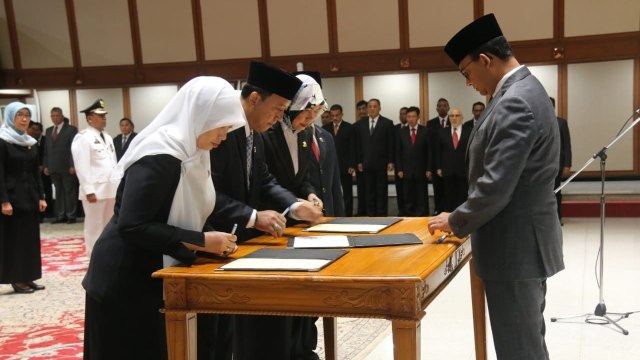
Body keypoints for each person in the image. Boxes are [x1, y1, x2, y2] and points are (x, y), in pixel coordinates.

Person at [429, 14, 564, 360]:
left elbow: (496, 185)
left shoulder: (516, 100)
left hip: (514, 247)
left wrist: (455, 219)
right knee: (525, 340)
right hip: (519, 244)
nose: (469, 82)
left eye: (467, 72)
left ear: (485, 60)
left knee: (519, 346)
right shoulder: (524, 90)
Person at [82, 76, 244, 360]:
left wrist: (213, 239)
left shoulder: (192, 151)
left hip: (150, 269)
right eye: (222, 126)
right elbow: (132, 225)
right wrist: (202, 241)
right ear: (201, 115)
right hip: (125, 279)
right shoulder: (159, 154)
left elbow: (188, 208)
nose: (224, 135)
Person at [208, 61, 323, 360]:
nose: (280, 117)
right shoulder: (223, 132)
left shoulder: (254, 133)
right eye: (278, 108)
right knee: (223, 335)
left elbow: (265, 180)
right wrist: (253, 216)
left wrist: (295, 205)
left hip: (244, 243)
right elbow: (208, 195)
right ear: (255, 99)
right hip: (215, 242)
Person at [0, 103, 47, 294]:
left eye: (27, 115)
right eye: (19, 115)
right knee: (15, 241)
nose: (24, 119)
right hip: (12, 199)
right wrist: (3, 200)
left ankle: (29, 276)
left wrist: (41, 197)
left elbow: (36, 174)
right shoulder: (3, 141)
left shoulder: (30, 142)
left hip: (30, 197)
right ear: (10, 117)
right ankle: (16, 279)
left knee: (30, 240)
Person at [71, 100, 118, 257]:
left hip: (110, 188)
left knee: (108, 225)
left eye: (104, 115)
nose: (104, 118)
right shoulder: (83, 138)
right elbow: (81, 167)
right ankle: (93, 256)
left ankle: (106, 253)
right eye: (100, 116)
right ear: (90, 119)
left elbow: (113, 163)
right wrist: (88, 190)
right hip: (95, 190)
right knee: (94, 225)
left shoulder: (108, 137)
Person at [354, 99, 395, 216]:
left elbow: (391, 143)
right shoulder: (361, 124)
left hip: (382, 163)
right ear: (367, 109)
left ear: (379, 108)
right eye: (370, 106)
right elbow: (359, 144)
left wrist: (391, 161)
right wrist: (359, 161)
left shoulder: (387, 123)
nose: (372, 109)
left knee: (381, 191)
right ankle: (371, 214)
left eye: (375, 106)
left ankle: (382, 214)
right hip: (366, 163)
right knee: (369, 191)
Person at [43, 107, 78, 223]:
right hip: (53, 166)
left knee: (69, 192)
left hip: (67, 166)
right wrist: (46, 165)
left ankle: (71, 215)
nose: (54, 118)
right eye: (52, 116)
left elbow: (74, 149)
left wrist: (73, 165)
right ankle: (60, 215)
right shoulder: (48, 131)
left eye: (57, 115)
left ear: (62, 116)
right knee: (58, 192)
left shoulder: (71, 129)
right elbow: (46, 150)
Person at [395, 106, 429, 216]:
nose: (410, 119)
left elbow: (429, 152)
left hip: (421, 169)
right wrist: (399, 168)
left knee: (421, 195)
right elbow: (398, 152)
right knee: (408, 195)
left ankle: (422, 215)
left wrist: (429, 168)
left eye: (413, 116)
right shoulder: (401, 132)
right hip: (406, 170)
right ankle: (409, 215)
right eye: (408, 116)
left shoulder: (425, 131)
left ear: (418, 117)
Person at [435, 108, 470, 212]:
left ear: (462, 117)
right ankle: (448, 218)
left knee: (462, 196)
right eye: (452, 116)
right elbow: (438, 151)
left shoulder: (469, 131)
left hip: (463, 170)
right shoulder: (442, 132)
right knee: (448, 196)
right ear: (448, 118)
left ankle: (461, 218)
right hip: (447, 170)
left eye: (457, 115)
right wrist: (438, 167)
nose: (454, 118)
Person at [322, 104, 355, 216]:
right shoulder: (325, 129)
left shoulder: (349, 127)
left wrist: (352, 164)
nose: (335, 118)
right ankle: (335, 213)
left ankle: (348, 214)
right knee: (332, 190)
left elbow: (353, 147)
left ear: (342, 114)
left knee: (347, 192)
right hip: (330, 166)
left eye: (337, 115)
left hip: (345, 165)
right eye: (333, 115)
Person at [550, 97, 572, 225]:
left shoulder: (561, 123)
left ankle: (557, 218)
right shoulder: (537, 122)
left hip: (557, 164)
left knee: (556, 191)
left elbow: (567, 145)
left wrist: (567, 164)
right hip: (542, 166)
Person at [426, 98, 450, 215]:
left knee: (449, 188)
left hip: (449, 162)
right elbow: (429, 147)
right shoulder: (431, 124)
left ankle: (448, 210)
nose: (442, 107)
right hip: (436, 162)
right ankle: (438, 209)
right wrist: (429, 167)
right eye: (439, 106)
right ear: (436, 108)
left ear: (448, 108)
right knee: (438, 188)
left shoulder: (453, 121)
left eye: (444, 105)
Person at [27, 121, 54, 220]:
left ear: (41, 131)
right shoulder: (26, 141)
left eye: (37, 130)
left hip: (44, 171)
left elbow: (47, 154)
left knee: (47, 191)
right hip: (32, 172)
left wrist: (43, 165)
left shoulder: (46, 140)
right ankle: (39, 215)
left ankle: (50, 212)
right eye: (32, 129)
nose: (34, 132)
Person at [354, 100, 368, 215]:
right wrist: (358, 161)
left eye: (364, 108)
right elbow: (355, 146)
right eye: (360, 109)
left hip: (373, 163)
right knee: (361, 190)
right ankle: (361, 212)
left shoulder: (373, 124)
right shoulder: (355, 126)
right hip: (360, 164)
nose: (362, 111)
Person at [394, 106, 408, 215]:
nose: (402, 116)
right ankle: (401, 211)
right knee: (400, 190)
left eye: (404, 113)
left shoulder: (416, 129)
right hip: (399, 165)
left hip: (412, 166)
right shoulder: (395, 128)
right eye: (400, 113)